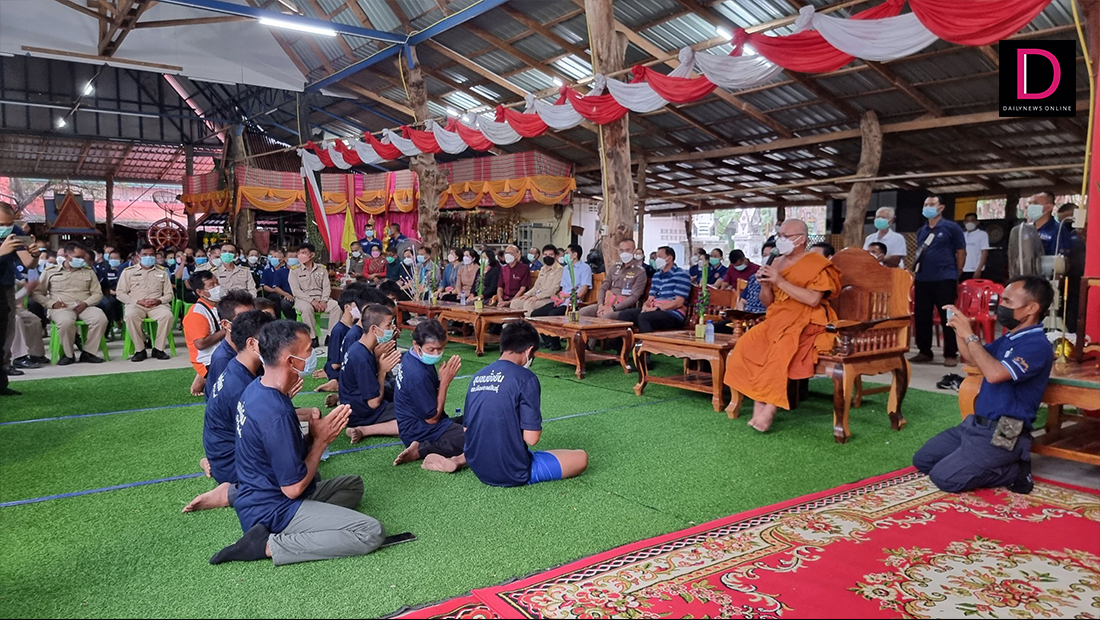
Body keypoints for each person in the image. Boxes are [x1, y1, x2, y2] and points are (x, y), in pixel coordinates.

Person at [209, 320, 384, 566]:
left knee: (353, 485)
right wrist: (321, 441)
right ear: (291, 361)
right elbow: (293, 488)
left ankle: (306, 525)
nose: (313, 356)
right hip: (272, 509)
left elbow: (279, 450)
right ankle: (267, 545)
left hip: (259, 496)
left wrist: (312, 434)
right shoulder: (275, 412)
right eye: (309, 350)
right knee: (371, 531)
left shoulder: (257, 388)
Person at [914, 276, 1054, 494]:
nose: (1001, 306)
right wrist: (960, 330)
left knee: (945, 477)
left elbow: (994, 374)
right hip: (977, 425)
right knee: (924, 460)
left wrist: (970, 335)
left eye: (1007, 301)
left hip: (1006, 431)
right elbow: (973, 358)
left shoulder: (1037, 345)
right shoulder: (1010, 338)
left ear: (1032, 308)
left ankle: (1016, 470)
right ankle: (980, 459)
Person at [722, 219, 841, 432]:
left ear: (801, 239)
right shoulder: (776, 263)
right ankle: (759, 398)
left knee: (782, 349)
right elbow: (768, 302)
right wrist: (766, 286)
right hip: (778, 318)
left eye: (786, 236)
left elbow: (813, 299)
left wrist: (780, 281)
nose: (780, 240)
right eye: (780, 235)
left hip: (807, 319)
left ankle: (769, 406)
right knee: (747, 344)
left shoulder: (817, 264)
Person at [462, 320, 587, 487]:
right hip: (513, 472)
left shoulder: (478, 376)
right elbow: (531, 438)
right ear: (529, 350)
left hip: (478, 466)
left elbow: (466, 429)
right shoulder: (526, 378)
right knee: (581, 457)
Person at [185, 310, 275, 513]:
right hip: (231, 464)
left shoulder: (237, 365)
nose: (276, 344)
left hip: (223, 452)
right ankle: (229, 493)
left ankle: (213, 464)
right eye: (270, 339)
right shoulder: (240, 384)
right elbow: (262, 433)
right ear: (252, 343)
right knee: (295, 477)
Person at [392, 320, 467, 473]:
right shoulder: (417, 374)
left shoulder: (412, 356)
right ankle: (421, 449)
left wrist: (441, 381)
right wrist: (445, 382)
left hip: (423, 423)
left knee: (475, 419)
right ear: (416, 345)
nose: (436, 354)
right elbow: (432, 419)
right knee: (475, 438)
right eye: (431, 349)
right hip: (420, 430)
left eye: (440, 349)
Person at [32, 242, 107, 366]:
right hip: (61, 308)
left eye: (83, 257)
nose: (81, 260)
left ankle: (89, 352)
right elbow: (37, 293)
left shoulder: (88, 271)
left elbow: (97, 293)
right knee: (66, 322)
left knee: (100, 318)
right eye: (78, 257)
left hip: (84, 306)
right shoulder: (50, 271)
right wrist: (51, 304)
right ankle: (68, 355)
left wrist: (86, 303)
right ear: (67, 256)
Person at [912, 195, 966, 367]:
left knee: (947, 317)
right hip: (923, 278)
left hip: (945, 277)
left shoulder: (951, 227)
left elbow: (961, 251)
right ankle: (924, 351)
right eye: (925, 204)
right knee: (922, 316)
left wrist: (957, 272)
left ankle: (950, 353)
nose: (928, 207)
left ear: (941, 207)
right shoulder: (922, 231)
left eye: (931, 204)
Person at [341, 304, 401, 443]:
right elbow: (373, 403)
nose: (391, 329)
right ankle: (364, 430)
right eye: (388, 325)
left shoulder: (360, 348)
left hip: (352, 404)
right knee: (413, 419)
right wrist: (382, 371)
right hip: (361, 412)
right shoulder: (361, 357)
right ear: (374, 329)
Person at [1, 202, 38, 395]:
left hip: (5, 285)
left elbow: (29, 262)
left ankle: (2, 380)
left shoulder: (15, 231)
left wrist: (35, 255)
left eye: (9, 223)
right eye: (1, 224)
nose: (6, 228)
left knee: (6, 331)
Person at [117, 243, 175, 362]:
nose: (148, 257)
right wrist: (137, 301)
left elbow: (169, 294)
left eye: (151, 254)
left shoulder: (162, 271)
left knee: (167, 316)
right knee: (130, 316)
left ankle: (158, 349)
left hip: (157, 305)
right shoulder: (128, 272)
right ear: (138, 256)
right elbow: (120, 293)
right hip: (136, 304)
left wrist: (159, 300)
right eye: (144, 254)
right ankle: (140, 349)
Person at [616, 245, 691, 334]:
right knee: (625, 314)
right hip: (654, 309)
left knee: (644, 317)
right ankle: (624, 342)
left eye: (659, 257)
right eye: (656, 257)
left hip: (673, 313)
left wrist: (656, 309)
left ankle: (646, 342)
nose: (656, 260)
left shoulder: (681, 275)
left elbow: (678, 302)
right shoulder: (656, 276)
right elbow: (650, 298)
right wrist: (645, 306)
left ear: (669, 258)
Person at [530, 244, 591, 348]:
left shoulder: (585, 268)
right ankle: (548, 341)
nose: (565, 255)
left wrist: (572, 299)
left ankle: (555, 344)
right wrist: (557, 297)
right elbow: (562, 288)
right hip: (562, 301)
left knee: (552, 314)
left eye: (567, 253)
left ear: (575, 255)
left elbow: (584, 290)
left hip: (573, 303)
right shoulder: (566, 268)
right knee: (536, 314)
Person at [204, 291, 257, 400]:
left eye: (253, 317)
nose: (250, 323)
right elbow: (228, 401)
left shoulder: (251, 348)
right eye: (242, 318)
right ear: (225, 324)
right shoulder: (223, 360)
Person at [288, 243, 340, 348]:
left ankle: (331, 336)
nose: (300, 255)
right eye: (299, 253)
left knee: (336, 306)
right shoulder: (294, 271)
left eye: (303, 253)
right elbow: (296, 291)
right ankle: (313, 337)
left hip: (321, 298)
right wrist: (312, 301)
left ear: (312, 255)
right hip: (303, 299)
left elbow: (326, 287)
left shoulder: (322, 269)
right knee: (306, 309)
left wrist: (324, 300)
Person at [579, 238, 647, 319]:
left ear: (634, 251)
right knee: (582, 312)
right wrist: (600, 305)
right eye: (622, 250)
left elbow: (634, 297)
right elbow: (603, 288)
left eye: (627, 250)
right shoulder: (615, 268)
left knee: (606, 316)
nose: (624, 253)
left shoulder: (640, 272)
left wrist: (613, 308)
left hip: (624, 308)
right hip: (607, 302)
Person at [182, 271, 225, 396]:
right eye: (211, 285)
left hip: (221, 353)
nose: (217, 287)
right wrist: (226, 330)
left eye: (217, 283)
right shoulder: (197, 313)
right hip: (207, 360)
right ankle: (204, 377)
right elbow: (200, 344)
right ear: (200, 292)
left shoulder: (217, 305)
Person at [316, 288, 361, 394]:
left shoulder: (354, 327)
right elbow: (335, 362)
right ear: (347, 307)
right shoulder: (339, 330)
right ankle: (334, 380)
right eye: (357, 306)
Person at [513, 245, 562, 315]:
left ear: (555, 256)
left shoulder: (559, 270)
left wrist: (537, 297)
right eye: (545, 255)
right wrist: (527, 294)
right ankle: (515, 321)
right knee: (515, 302)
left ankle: (528, 322)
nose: (547, 257)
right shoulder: (543, 269)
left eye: (550, 255)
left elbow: (554, 289)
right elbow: (536, 287)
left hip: (549, 298)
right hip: (538, 296)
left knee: (528, 304)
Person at [1026, 191, 1072, 256]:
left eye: (1036, 203)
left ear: (1049, 207)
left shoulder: (1059, 231)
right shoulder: (1026, 230)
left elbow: (1061, 258)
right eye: (1030, 203)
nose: (1030, 206)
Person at [96, 249, 124, 339]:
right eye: (111, 258)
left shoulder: (124, 270)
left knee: (115, 302)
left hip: (123, 293)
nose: (113, 260)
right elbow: (104, 285)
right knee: (108, 303)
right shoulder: (105, 270)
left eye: (115, 258)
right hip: (110, 293)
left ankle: (119, 322)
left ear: (121, 260)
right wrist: (112, 292)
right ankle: (110, 326)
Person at [260, 250, 295, 320]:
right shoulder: (267, 271)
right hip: (274, 293)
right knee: (276, 298)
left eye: (275, 257)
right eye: (272, 257)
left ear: (282, 260)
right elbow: (265, 286)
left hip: (286, 293)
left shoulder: (287, 270)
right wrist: (276, 291)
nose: (273, 258)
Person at [960, 212, 990, 281]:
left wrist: (979, 269)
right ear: (964, 223)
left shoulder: (982, 234)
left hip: (975, 270)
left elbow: (984, 253)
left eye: (972, 220)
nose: (969, 223)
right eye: (967, 221)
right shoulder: (962, 235)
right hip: (963, 270)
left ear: (977, 222)